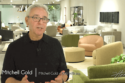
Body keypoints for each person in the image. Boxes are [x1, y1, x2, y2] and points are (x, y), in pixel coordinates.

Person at [1, 4, 69, 83]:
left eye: (44, 18)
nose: (40, 22)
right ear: (27, 21)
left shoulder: (55, 44)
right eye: (36, 18)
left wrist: (62, 79)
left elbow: (65, 71)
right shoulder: (13, 47)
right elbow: (5, 77)